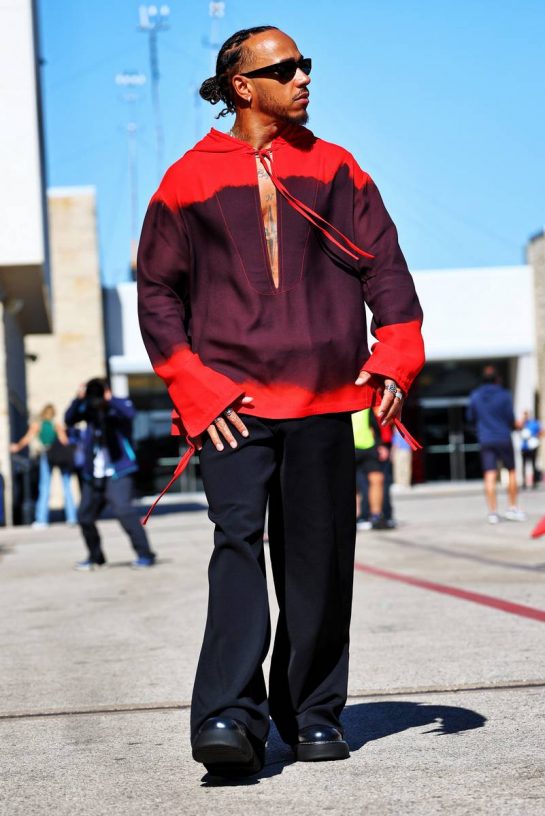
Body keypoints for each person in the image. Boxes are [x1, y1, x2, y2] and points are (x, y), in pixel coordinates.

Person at [137, 26, 424, 777]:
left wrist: (395, 354)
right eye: (286, 68)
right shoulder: (185, 179)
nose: (303, 78)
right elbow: (158, 292)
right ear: (242, 85)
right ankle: (229, 715)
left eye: (305, 66)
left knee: (319, 559)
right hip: (230, 405)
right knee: (236, 545)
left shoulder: (337, 167)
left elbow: (386, 268)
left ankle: (312, 712)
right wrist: (192, 383)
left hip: (326, 398)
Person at [65, 379, 156, 571]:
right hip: (94, 474)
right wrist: (78, 399)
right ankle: (95, 557)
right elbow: (69, 419)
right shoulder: (88, 410)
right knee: (84, 516)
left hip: (119, 471)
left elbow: (130, 413)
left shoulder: (118, 406)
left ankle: (145, 554)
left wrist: (109, 398)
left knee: (123, 511)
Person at [467, 365, 525, 524]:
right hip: (503, 437)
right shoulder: (504, 395)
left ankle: (493, 513)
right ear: (497, 379)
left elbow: (470, 418)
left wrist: (481, 429)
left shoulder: (475, 395)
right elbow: (510, 418)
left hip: (485, 438)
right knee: (511, 471)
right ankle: (512, 508)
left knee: (489, 474)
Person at [10, 403, 77, 528]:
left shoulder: (38, 425)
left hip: (47, 455)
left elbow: (27, 438)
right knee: (67, 486)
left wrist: (16, 447)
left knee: (44, 486)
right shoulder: (56, 425)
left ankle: (42, 519)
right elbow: (65, 441)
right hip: (61, 456)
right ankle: (72, 517)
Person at [352, 409, 389, 530]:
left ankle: (376, 516)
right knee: (350, 484)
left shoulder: (367, 405)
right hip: (348, 446)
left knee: (377, 479)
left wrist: (380, 445)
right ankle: (353, 517)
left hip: (369, 445)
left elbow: (374, 424)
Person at [519, 410, 542, 489]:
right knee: (524, 465)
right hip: (524, 447)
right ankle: (524, 483)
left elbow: (541, 432)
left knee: (533, 464)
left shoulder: (534, 423)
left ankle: (534, 482)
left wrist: (535, 437)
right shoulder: (523, 423)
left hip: (532, 447)